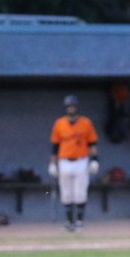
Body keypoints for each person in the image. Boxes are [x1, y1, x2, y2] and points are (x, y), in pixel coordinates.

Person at [48, 94, 99, 232]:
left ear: (77, 107)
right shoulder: (59, 123)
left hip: (81, 161)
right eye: (69, 106)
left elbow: (92, 143)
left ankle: (79, 222)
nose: (71, 109)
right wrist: (52, 164)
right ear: (65, 108)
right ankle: (69, 222)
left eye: (73, 106)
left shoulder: (86, 123)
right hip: (64, 161)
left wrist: (95, 160)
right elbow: (55, 146)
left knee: (80, 192)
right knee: (66, 193)